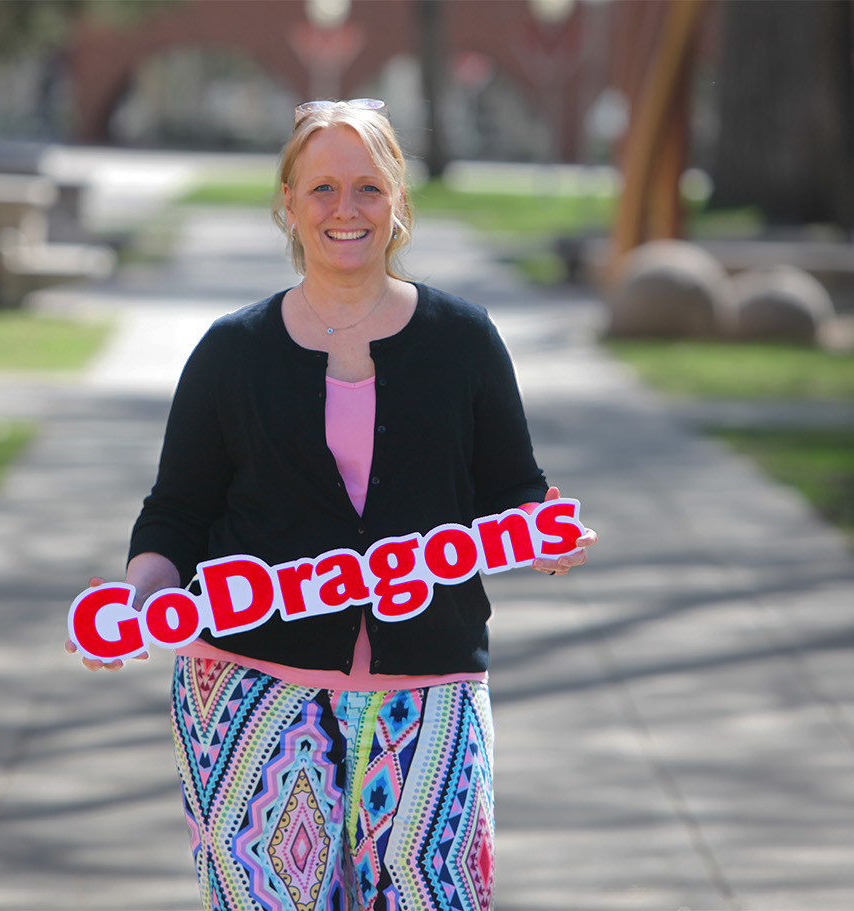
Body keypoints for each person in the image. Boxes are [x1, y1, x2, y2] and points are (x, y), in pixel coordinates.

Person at [66, 98, 597, 911]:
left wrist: (547, 534)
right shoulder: (231, 352)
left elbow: (513, 490)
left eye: (367, 188)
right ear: (288, 202)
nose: (345, 209)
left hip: (431, 685)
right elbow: (176, 510)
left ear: (398, 201)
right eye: (321, 188)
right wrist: (138, 602)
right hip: (248, 687)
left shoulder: (465, 340)